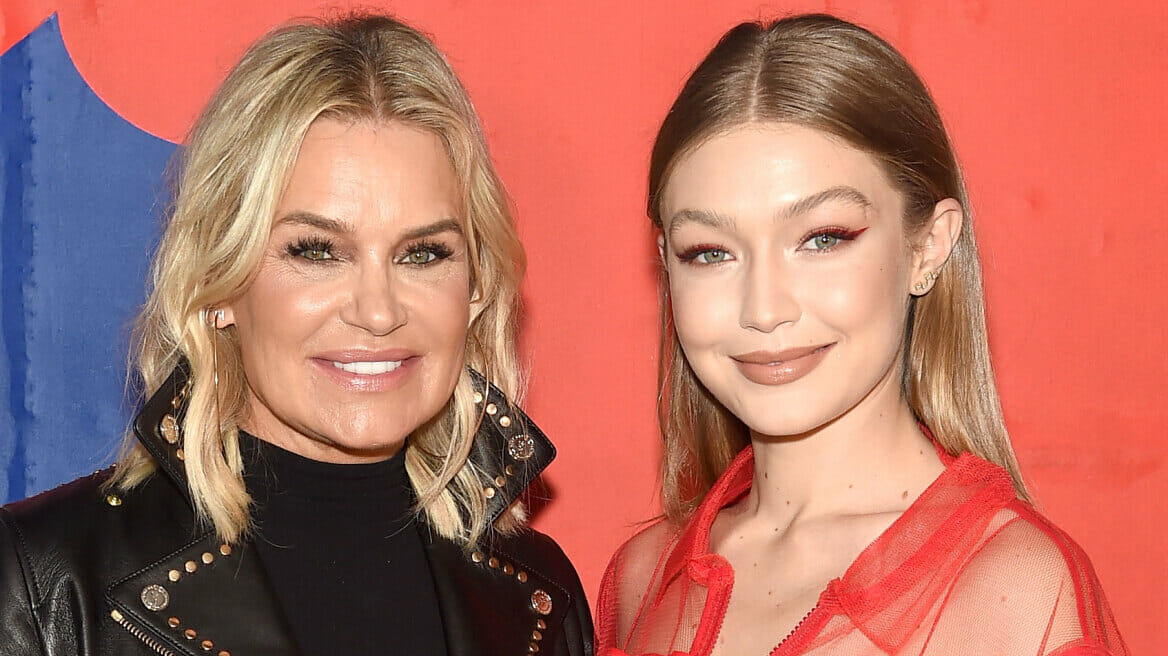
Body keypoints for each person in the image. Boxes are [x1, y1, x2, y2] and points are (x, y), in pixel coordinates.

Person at [0, 13, 592, 656]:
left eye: (423, 254)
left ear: (474, 291)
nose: (378, 311)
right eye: (317, 250)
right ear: (221, 283)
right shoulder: (45, 583)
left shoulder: (539, 597)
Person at [596, 14, 1125, 656]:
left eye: (823, 239)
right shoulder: (642, 580)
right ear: (666, 264)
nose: (764, 309)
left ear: (928, 246)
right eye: (710, 252)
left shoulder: (1011, 594)